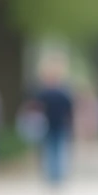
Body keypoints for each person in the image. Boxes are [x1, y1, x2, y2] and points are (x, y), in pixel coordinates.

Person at [30, 55, 75, 186]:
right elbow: (69, 111)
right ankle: (56, 174)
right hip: (55, 125)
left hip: (51, 125)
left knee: (51, 150)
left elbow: (35, 108)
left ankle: (53, 174)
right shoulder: (63, 93)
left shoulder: (43, 93)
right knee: (57, 150)